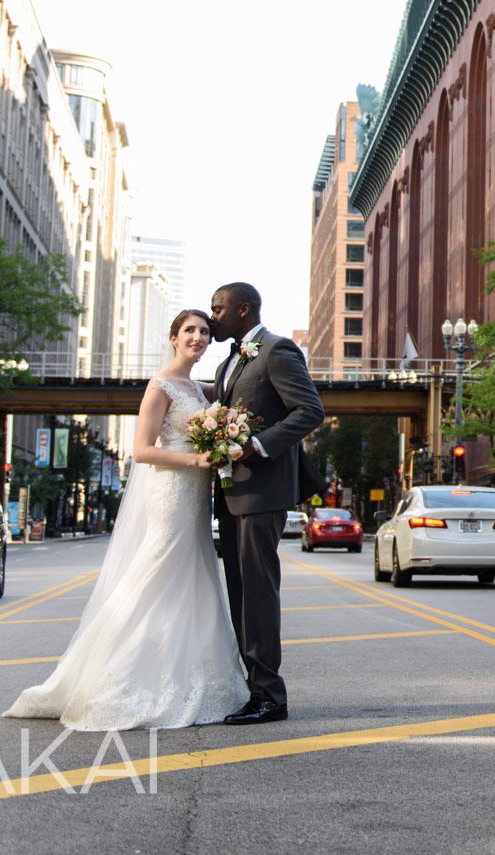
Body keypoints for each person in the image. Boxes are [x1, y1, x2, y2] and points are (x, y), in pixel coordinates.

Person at [6, 310, 249, 731]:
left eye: (204, 331)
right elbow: (141, 450)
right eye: (189, 330)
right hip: (170, 489)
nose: (198, 337)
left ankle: (192, 672)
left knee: (192, 575)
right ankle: (113, 675)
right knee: (157, 571)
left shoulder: (198, 388)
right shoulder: (160, 385)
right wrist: (195, 457)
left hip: (195, 494)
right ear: (174, 337)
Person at [207, 281, 325, 725]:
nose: (211, 316)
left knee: (258, 592)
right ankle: (251, 687)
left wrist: (257, 444)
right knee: (240, 591)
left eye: (217, 309)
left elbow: (310, 411)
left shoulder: (276, 350)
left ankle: (271, 697)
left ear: (243, 309)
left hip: (262, 491)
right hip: (232, 493)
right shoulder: (229, 362)